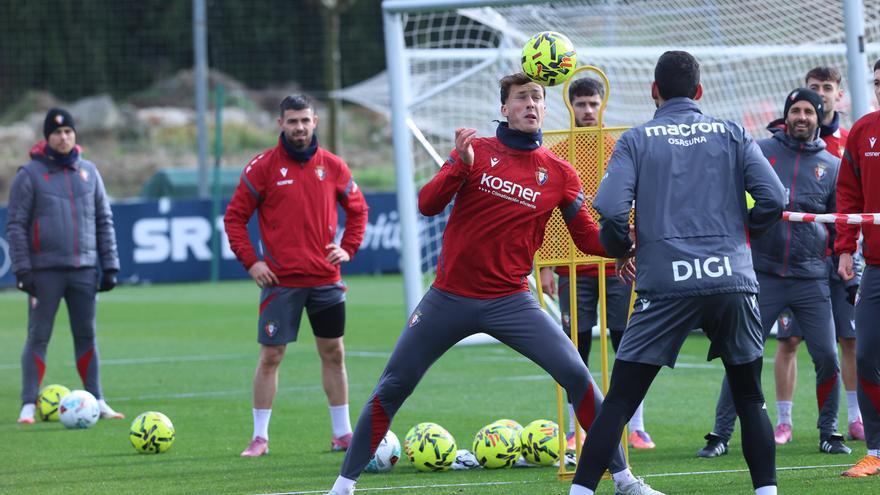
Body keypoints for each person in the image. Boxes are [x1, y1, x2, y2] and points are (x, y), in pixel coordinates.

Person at [326, 73, 661, 495]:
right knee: (393, 385)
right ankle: (342, 487)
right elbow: (427, 204)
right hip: (448, 297)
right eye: (521, 98)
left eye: (537, 98)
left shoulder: (559, 172)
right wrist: (457, 164)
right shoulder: (476, 152)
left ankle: (624, 481)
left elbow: (586, 237)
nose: (530, 105)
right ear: (504, 109)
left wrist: (622, 248)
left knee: (578, 376)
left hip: (512, 300)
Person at [573, 51, 784, 495]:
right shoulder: (731, 133)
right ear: (700, 92)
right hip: (732, 277)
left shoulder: (636, 139)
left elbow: (611, 209)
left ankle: (581, 492)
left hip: (666, 283)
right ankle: (767, 491)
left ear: (654, 92)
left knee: (620, 401)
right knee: (750, 397)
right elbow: (775, 199)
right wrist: (740, 233)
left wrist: (620, 248)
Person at [698, 88, 850, 457]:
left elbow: (838, 224)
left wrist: (841, 260)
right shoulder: (761, 152)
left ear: (818, 117)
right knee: (741, 353)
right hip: (761, 274)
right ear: (786, 115)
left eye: (808, 112)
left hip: (812, 278)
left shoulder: (831, 166)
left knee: (828, 356)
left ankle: (829, 433)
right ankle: (720, 436)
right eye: (795, 111)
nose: (801, 117)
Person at [224, 95, 368, 457]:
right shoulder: (262, 168)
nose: (299, 127)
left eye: (305, 120)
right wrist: (252, 263)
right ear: (281, 124)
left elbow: (359, 210)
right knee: (271, 356)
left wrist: (348, 248)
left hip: (325, 280)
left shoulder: (333, 166)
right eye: (292, 121)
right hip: (281, 283)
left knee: (334, 353)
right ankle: (259, 437)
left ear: (315, 121)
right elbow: (234, 218)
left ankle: (342, 434)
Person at [540, 77, 654, 451]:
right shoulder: (556, 152)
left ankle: (634, 426)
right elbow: (546, 213)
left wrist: (637, 246)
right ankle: (579, 427)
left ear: (603, 105)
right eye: (581, 104)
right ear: (569, 106)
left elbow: (636, 200)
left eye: (593, 104)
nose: (587, 111)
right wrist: (545, 263)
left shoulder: (617, 148)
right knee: (576, 348)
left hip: (619, 266)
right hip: (573, 267)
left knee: (628, 344)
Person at [6, 108, 124, 424]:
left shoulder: (89, 172)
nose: (64, 137)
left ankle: (98, 399)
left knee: (87, 336)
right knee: (38, 336)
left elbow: (104, 220)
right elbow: (15, 225)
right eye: (57, 133)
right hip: (44, 272)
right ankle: (28, 404)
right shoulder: (29, 175)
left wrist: (109, 264)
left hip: (84, 269)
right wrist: (23, 270)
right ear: (47, 138)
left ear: (75, 136)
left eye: (69, 132)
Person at [773, 66, 864, 443]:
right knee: (789, 341)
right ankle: (784, 421)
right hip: (799, 261)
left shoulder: (850, 140)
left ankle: (855, 417)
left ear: (838, 95)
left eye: (827, 88)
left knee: (849, 338)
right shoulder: (781, 143)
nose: (821, 94)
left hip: (841, 258)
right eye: (814, 88)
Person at [836, 58, 880, 478]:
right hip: (877, 267)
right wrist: (846, 247)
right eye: (878, 82)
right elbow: (848, 196)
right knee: (866, 355)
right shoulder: (864, 131)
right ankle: (877, 452)